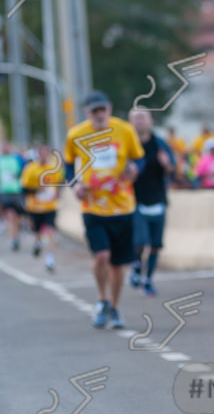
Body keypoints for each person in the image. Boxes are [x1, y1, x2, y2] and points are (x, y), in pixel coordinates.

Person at [64, 91, 144, 329]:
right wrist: (75, 185)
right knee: (101, 256)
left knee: (118, 264)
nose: (99, 114)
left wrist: (135, 169)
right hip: (93, 206)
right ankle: (102, 298)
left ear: (109, 108)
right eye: (94, 111)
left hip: (122, 205)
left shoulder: (124, 130)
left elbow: (139, 158)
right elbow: (68, 166)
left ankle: (115, 307)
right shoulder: (76, 134)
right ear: (86, 112)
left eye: (103, 109)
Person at [128, 109, 175, 297]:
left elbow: (173, 170)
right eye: (136, 118)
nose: (140, 121)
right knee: (139, 242)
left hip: (158, 200)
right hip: (135, 201)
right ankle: (136, 267)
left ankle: (148, 280)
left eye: (143, 117)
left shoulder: (160, 144)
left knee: (155, 245)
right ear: (130, 122)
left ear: (151, 121)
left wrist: (166, 164)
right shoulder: (127, 145)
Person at [20, 144, 62, 271]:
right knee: (37, 231)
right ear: (38, 154)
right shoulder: (30, 168)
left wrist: (57, 193)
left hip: (50, 206)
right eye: (41, 153)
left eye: (46, 153)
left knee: (50, 230)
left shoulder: (54, 168)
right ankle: (38, 243)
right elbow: (24, 189)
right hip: (34, 207)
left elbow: (59, 184)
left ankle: (50, 259)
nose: (44, 155)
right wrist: (37, 189)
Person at [0, 141, 27, 251]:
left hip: (17, 191)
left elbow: (26, 171)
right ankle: (13, 239)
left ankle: (16, 235)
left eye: (7, 146)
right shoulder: (1, 160)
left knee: (18, 217)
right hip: (5, 192)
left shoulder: (17, 159)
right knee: (10, 215)